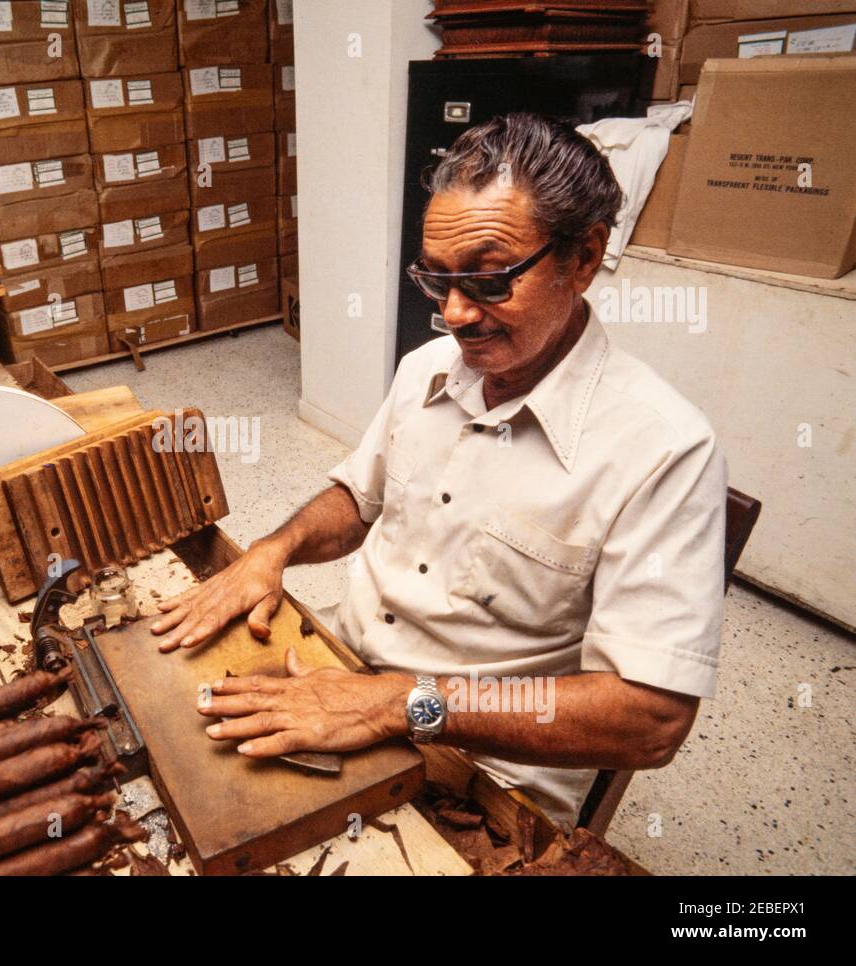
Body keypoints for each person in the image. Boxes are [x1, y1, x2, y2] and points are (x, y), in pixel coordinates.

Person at [151, 112, 727, 828]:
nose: (454, 314)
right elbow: (358, 499)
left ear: (585, 257)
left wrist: (399, 703)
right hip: (338, 668)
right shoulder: (427, 369)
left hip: (478, 763)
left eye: (488, 280)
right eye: (437, 278)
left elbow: (649, 719)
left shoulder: (663, 449)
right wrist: (275, 551)